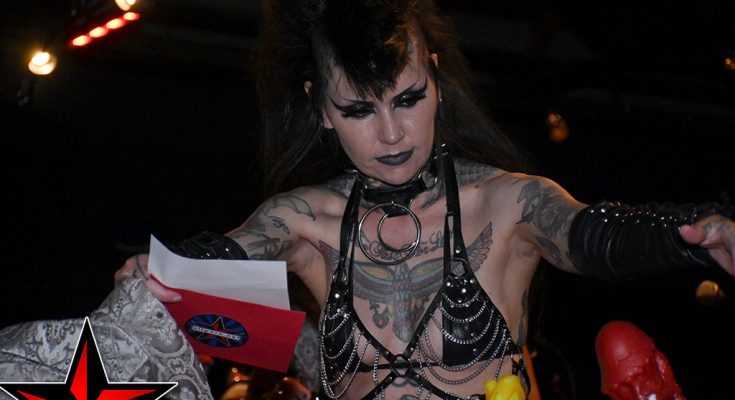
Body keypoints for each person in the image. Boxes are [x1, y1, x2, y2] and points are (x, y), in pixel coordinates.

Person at [113, 0, 735, 399]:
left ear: (435, 78)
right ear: (320, 108)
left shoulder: (506, 203)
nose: (391, 134)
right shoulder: (304, 221)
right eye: (358, 110)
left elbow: (592, 236)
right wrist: (163, 271)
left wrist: (697, 231)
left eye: (407, 99)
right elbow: (228, 255)